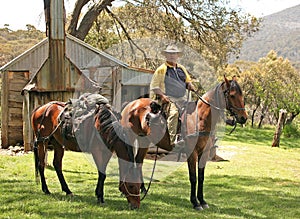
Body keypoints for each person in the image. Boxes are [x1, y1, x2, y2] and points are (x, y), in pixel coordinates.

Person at [150, 44, 196, 148]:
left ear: (177, 56)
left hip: (182, 98)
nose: (172, 56)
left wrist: (190, 85)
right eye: (169, 54)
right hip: (168, 97)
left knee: (193, 113)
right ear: (166, 55)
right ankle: (172, 141)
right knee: (174, 113)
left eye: (174, 54)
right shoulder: (161, 69)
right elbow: (155, 86)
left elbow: (188, 81)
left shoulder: (181, 68)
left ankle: (189, 137)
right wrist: (163, 96)